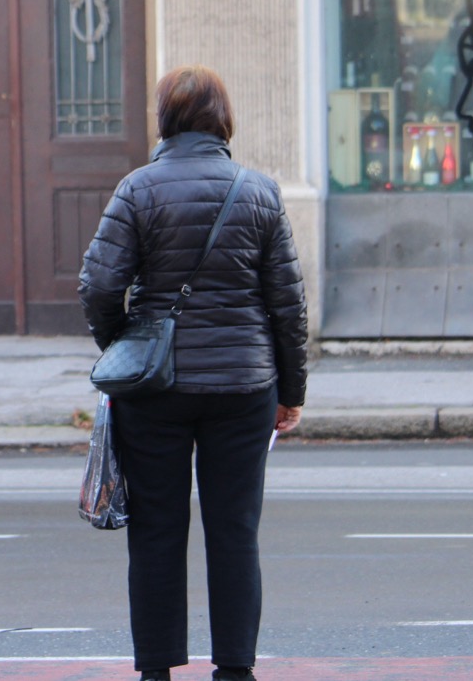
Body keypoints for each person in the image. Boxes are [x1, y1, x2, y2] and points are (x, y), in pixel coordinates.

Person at [78, 65, 308, 681]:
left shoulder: (138, 189)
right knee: (235, 532)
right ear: (223, 120)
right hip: (244, 384)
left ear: (166, 121)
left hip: (156, 390)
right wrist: (292, 390)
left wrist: (125, 347)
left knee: (156, 530)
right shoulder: (259, 192)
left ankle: (155, 670)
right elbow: (287, 303)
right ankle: (235, 669)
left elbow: (99, 284)